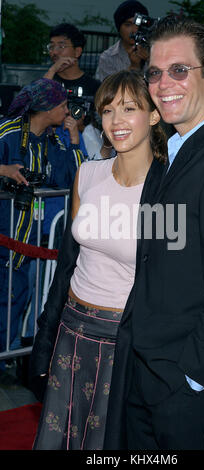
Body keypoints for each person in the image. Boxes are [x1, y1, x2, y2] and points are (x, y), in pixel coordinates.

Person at [103, 17, 204, 451]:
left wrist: (189, 379)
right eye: (154, 72)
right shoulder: (174, 151)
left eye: (180, 70)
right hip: (149, 369)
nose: (163, 83)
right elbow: (163, 251)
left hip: (194, 390)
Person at [29, 70, 167, 450]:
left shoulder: (165, 188)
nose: (116, 121)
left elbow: (168, 280)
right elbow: (67, 263)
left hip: (123, 337)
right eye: (107, 111)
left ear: (154, 115)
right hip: (72, 327)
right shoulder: (87, 175)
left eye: (128, 108)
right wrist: (47, 330)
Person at [0, 78, 84, 377]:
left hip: (28, 241)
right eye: (62, 104)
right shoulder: (8, 133)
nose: (67, 110)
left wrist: (74, 140)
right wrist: (4, 170)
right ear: (46, 108)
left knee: (15, 297)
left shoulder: (55, 139)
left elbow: (76, 180)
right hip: (6, 235)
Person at [95, 1, 149, 82]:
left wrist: (150, 59)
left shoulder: (155, 52)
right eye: (128, 24)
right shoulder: (108, 58)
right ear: (119, 28)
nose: (134, 30)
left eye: (138, 25)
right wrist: (134, 67)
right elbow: (108, 91)